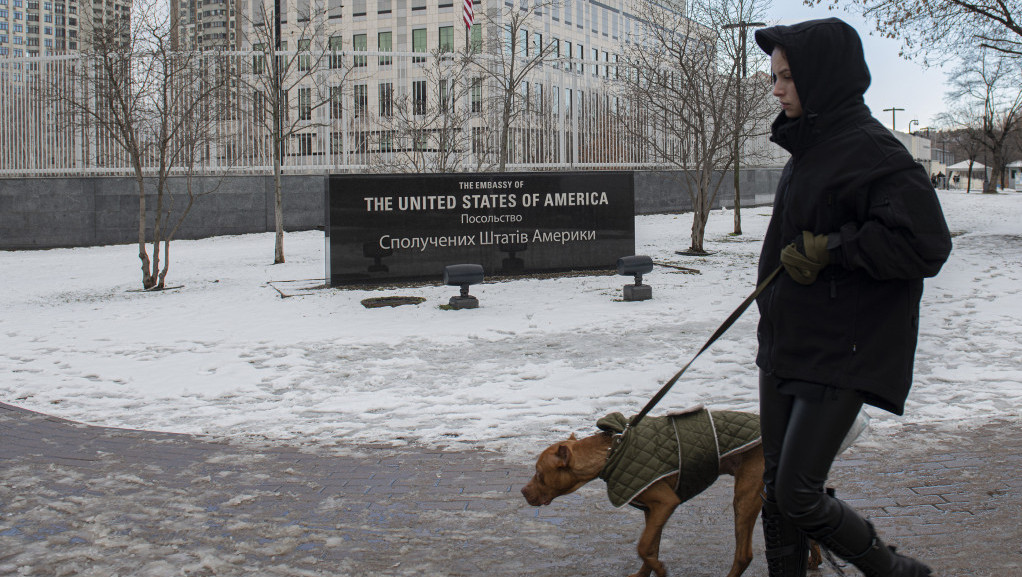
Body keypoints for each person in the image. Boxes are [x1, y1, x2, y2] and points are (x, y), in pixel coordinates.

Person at [752, 18, 952, 577]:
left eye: (787, 77)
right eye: (774, 77)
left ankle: (893, 570)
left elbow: (926, 245)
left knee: (798, 493)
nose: (776, 89)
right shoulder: (808, 147)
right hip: (788, 344)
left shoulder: (872, 151)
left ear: (823, 77)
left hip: (841, 350)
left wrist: (832, 249)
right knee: (775, 490)